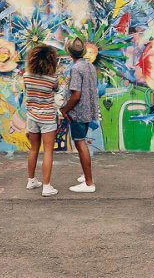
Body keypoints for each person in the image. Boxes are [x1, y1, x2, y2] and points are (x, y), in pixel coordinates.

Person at [60, 37, 99, 193]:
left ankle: (89, 183)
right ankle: (86, 176)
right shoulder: (89, 66)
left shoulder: (76, 69)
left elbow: (76, 95)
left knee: (80, 144)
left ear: (69, 53)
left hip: (78, 112)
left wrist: (65, 109)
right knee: (83, 144)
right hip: (88, 110)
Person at [23, 45, 60, 197]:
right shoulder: (52, 79)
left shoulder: (26, 76)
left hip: (32, 117)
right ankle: (46, 186)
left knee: (33, 149)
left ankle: (31, 180)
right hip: (47, 118)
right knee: (48, 151)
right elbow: (57, 91)